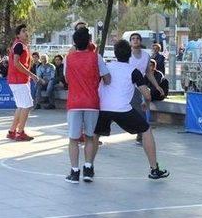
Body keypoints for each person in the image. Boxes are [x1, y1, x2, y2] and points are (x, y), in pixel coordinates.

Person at [91, 39, 169, 180]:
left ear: (115, 53)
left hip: (103, 108)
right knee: (146, 130)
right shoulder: (133, 71)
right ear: (130, 55)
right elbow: (147, 94)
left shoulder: (106, 67)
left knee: (95, 134)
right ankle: (154, 169)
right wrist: (146, 101)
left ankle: (88, 167)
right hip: (122, 109)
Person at [64, 27, 110, 183]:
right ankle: (88, 169)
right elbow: (107, 79)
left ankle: (74, 171)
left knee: (74, 139)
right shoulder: (97, 58)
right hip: (92, 102)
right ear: (89, 41)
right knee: (90, 137)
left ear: (74, 42)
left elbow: (67, 79)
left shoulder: (68, 58)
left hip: (74, 102)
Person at [129, 32, 165, 144]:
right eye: (133, 38)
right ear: (130, 42)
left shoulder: (145, 56)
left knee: (142, 107)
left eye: (137, 38)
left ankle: (141, 134)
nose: (135, 40)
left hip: (139, 86)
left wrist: (157, 86)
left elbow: (149, 73)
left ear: (140, 41)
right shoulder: (127, 54)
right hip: (127, 85)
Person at [6, 24, 39, 141]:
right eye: (23, 31)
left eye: (26, 30)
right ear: (18, 35)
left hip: (16, 80)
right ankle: (20, 132)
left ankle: (12, 131)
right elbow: (16, 63)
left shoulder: (20, 45)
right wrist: (32, 74)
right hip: (19, 80)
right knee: (27, 105)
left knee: (21, 106)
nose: (26, 33)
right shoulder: (19, 45)